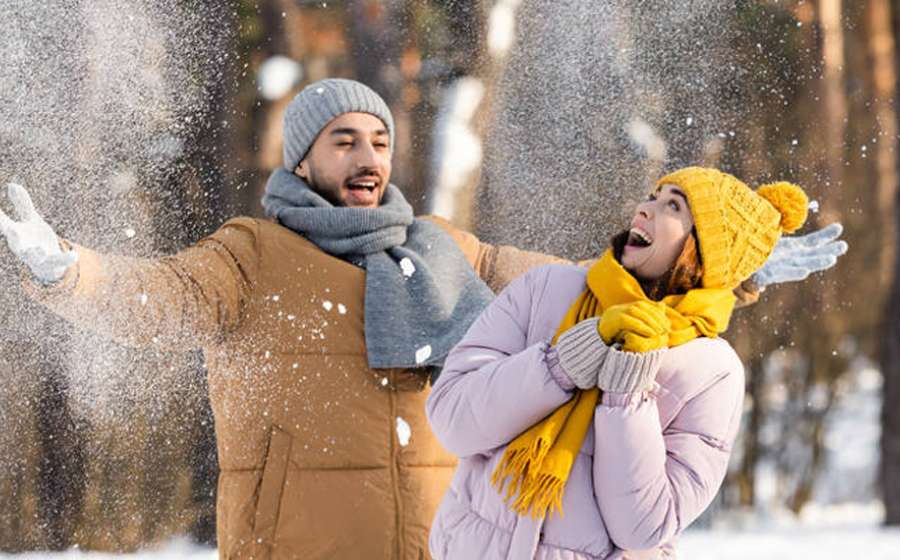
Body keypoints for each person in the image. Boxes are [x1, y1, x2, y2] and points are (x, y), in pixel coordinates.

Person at [0, 77, 843, 560]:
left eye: (379, 141)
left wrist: (732, 268)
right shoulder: (251, 254)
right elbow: (162, 299)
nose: (369, 158)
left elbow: (596, 286)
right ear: (302, 156)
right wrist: (68, 273)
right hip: (300, 548)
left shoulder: (440, 246)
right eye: (344, 141)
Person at [426, 167, 813, 559]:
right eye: (653, 196)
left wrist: (627, 391)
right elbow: (451, 421)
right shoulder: (546, 289)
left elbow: (642, 527)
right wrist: (561, 364)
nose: (645, 208)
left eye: (673, 205)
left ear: (705, 250)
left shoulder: (714, 373)